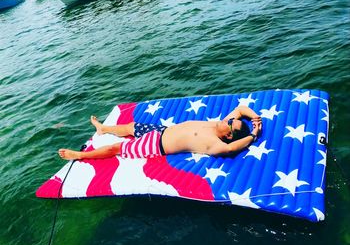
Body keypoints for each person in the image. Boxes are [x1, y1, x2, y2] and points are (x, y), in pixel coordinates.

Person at [58, 105, 262, 160]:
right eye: (231, 119)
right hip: (162, 130)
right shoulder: (221, 124)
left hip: (156, 145)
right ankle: (104, 128)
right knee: (131, 127)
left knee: (115, 148)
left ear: (227, 135)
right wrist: (255, 120)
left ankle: (80, 155)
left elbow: (231, 148)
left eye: (230, 124)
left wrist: (252, 136)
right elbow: (242, 108)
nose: (229, 119)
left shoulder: (215, 143)